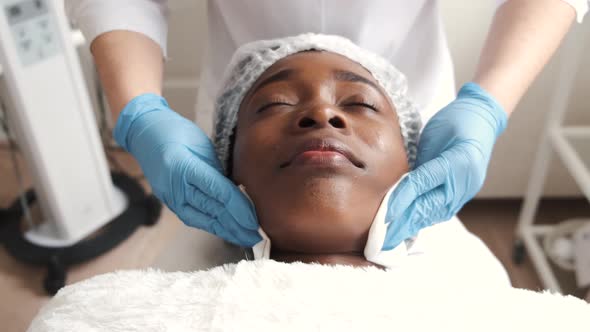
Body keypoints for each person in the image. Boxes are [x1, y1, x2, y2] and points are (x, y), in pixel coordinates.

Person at [64, 1, 586, 250]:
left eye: (359, 103)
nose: (322, 114)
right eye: (273, 104)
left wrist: (487, 104)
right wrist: (139, 111)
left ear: (411, 152)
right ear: (228, 158)